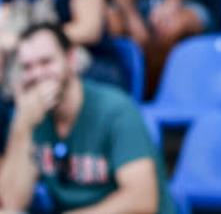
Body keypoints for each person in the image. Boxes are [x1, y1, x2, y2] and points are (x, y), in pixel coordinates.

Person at [0, 23, 176, 214]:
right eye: (27, 67)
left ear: (71, 59)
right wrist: (22, 125)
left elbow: (142, 201)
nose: (37, 74)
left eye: (46, 62)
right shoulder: (32, 116)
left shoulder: (115, 110)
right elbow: (10, 203)